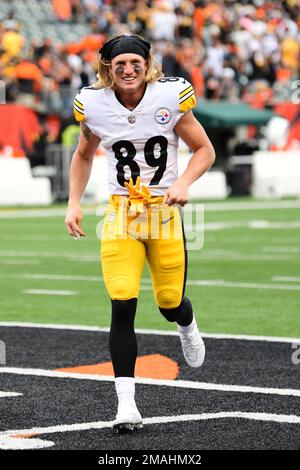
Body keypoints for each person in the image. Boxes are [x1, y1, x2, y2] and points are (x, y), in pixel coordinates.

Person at [65, 34, 215, 434]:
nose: (128, 70)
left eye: (134, 62)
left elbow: (205, 149)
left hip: (164, 213)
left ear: (147, 64)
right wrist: (74, 202)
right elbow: (83, 154)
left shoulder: (170, 96)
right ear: (107, 69)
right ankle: (126, 404)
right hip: (120, 214)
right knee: (121, 301)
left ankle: (186, 322)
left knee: (168, 302)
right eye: (119, 65)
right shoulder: (93, 104)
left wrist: (182, 183)